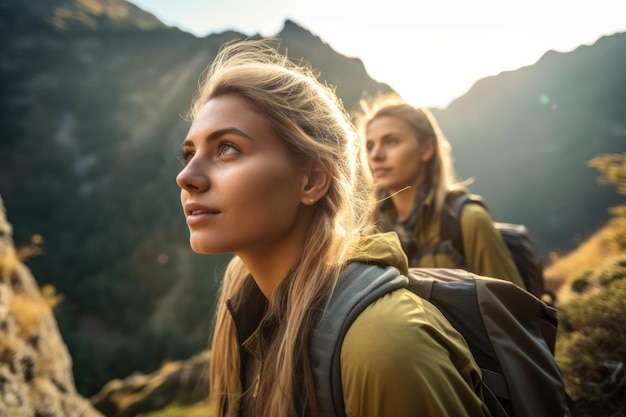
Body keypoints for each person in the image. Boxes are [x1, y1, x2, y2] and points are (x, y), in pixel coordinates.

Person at [175, 38, 492, 417]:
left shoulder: (387, 346)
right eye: (189, 154)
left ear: (311, 181)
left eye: (227, 148)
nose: (186, 177)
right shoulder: (244, 321)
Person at [355, 93, 525, 288]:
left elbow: (511, 312)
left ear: (426, 149)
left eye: (392, 141)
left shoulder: (469, 221)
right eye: (369, 146)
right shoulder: (370, 233)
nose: (375, 155)